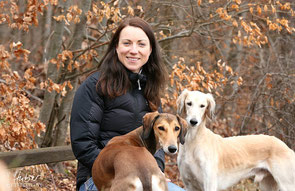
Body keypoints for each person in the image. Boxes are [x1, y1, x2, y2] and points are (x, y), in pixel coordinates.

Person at [70, 17, 185, 191]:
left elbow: (159, 143)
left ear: (150, 49)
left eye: (141, 44)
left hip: (145, 175)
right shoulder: (94, 86)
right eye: (127, 43)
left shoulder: (151, 90)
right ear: (116, 47)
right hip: (100, 177)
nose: (133, 50)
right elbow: (83, 145)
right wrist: (127, 170)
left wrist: (156, 171)